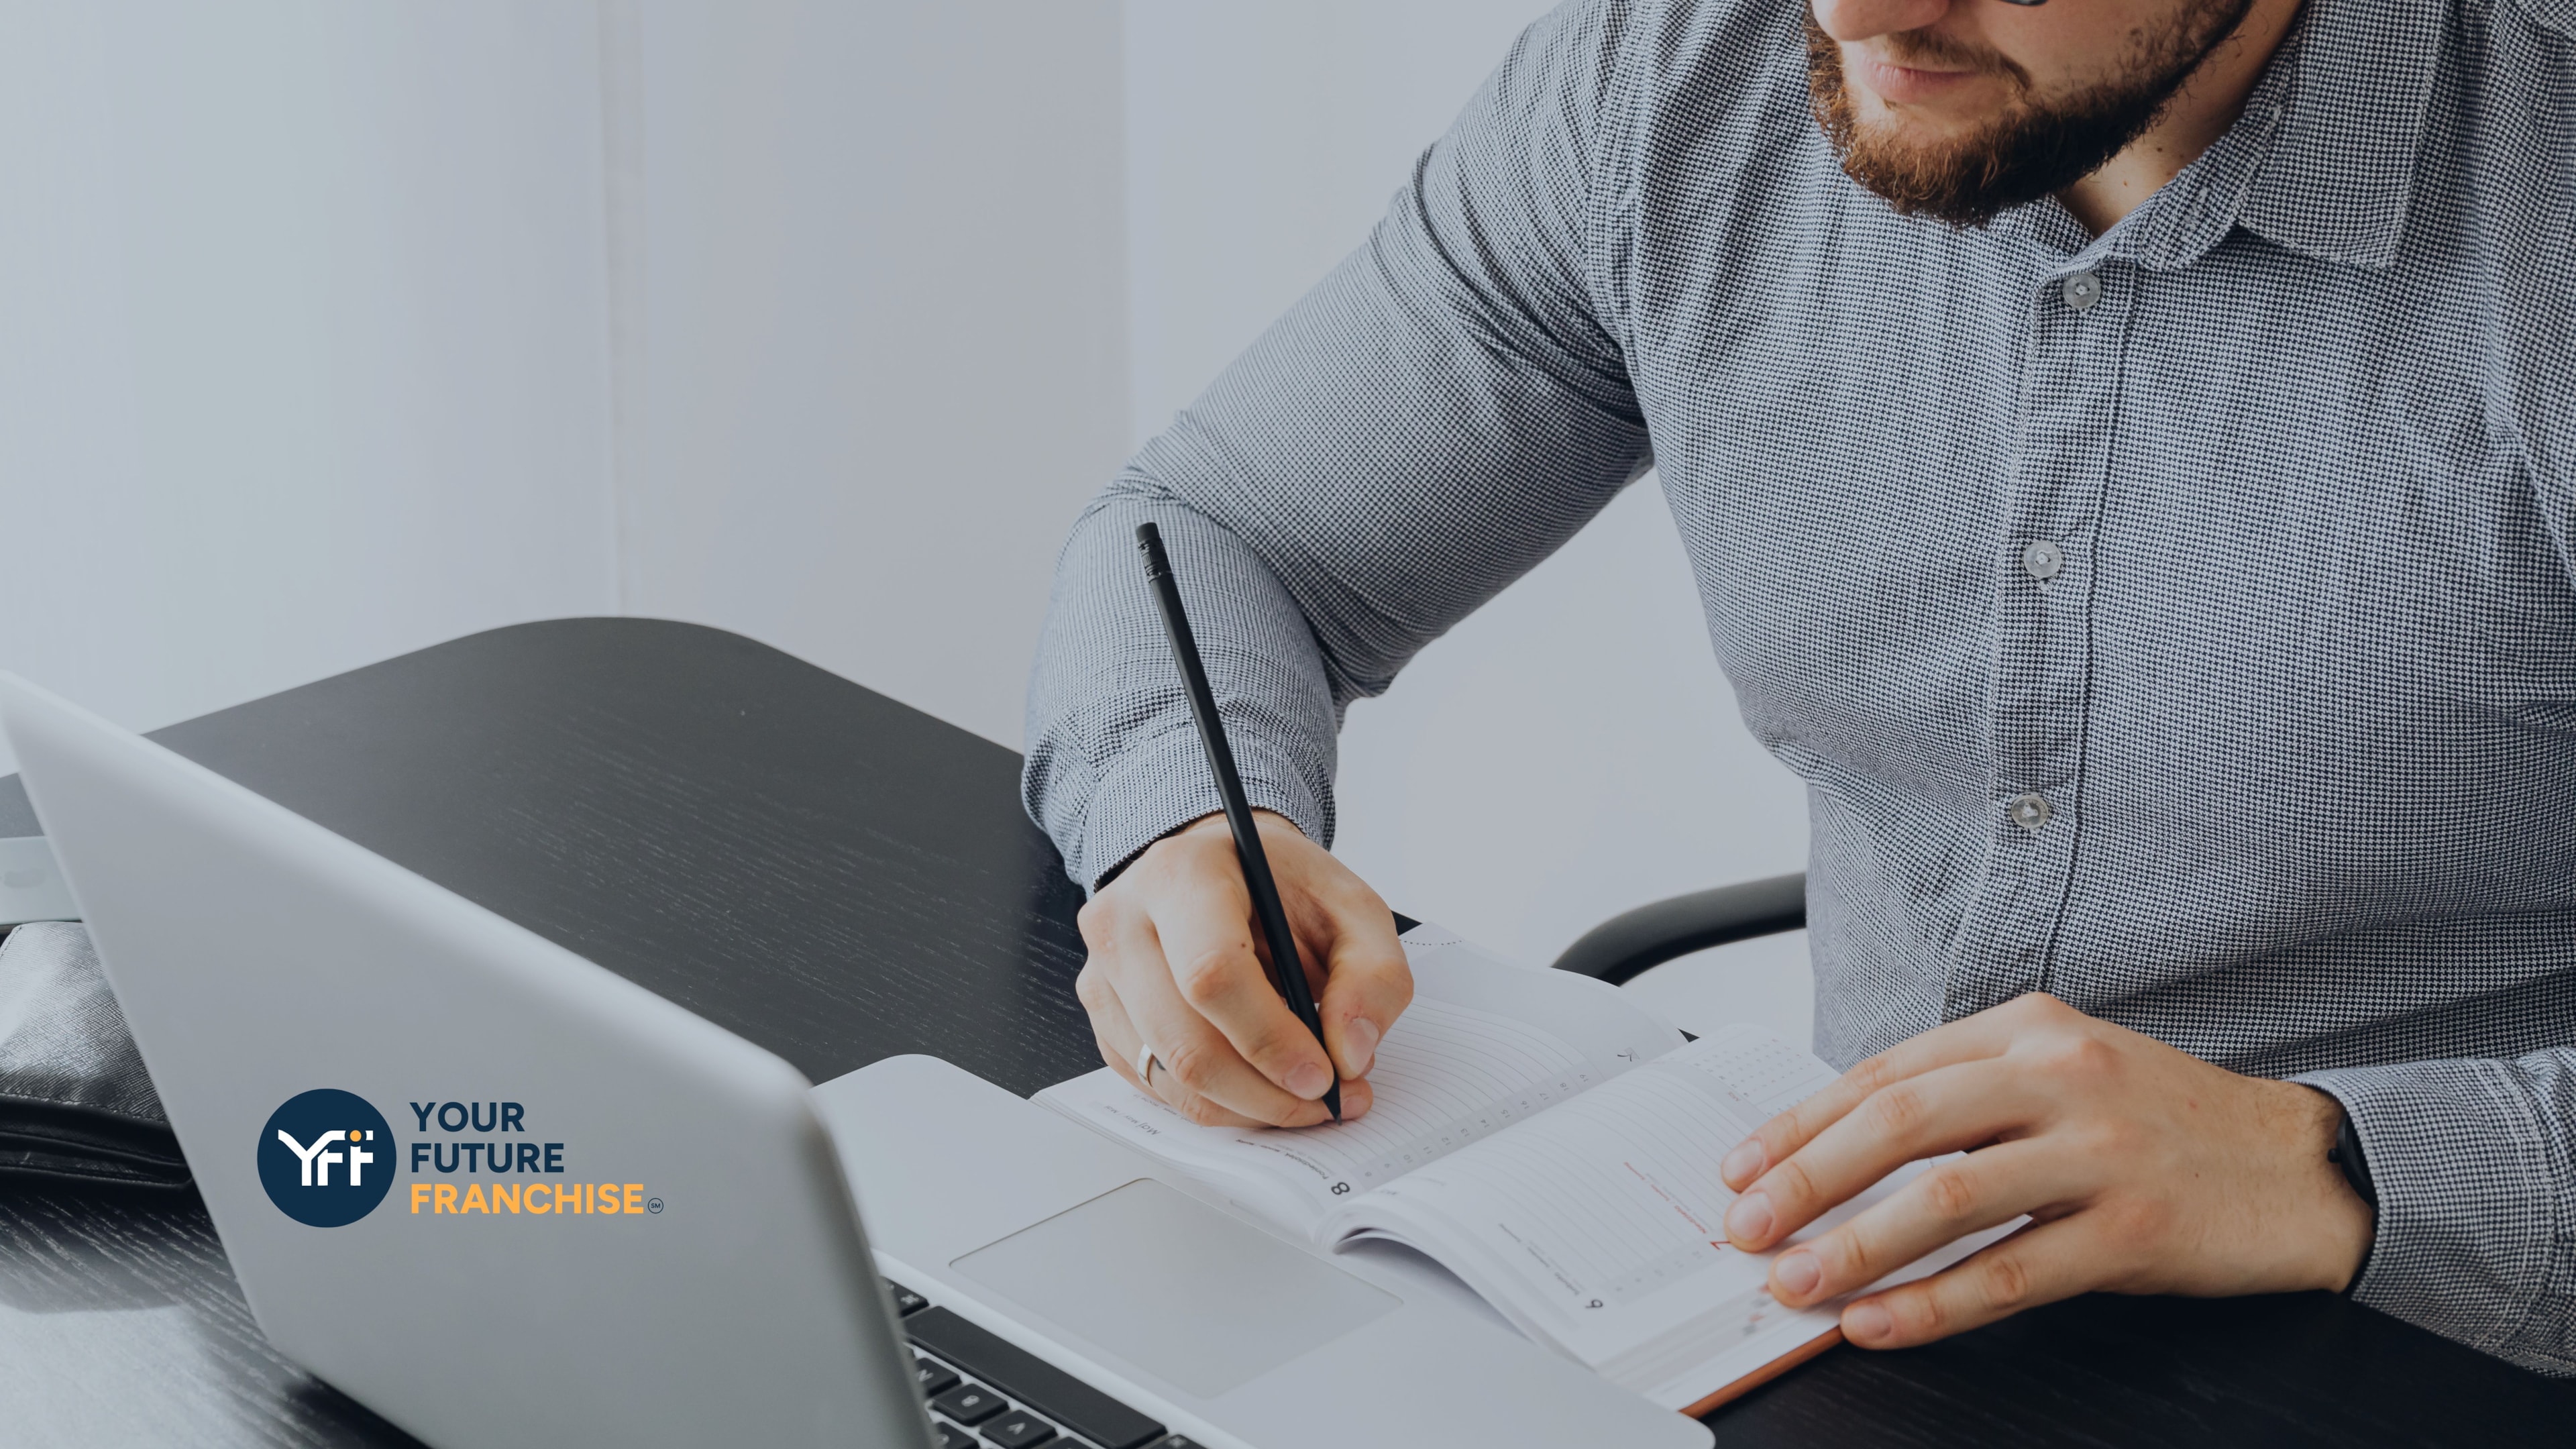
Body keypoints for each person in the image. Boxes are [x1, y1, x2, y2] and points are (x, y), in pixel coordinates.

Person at [1022, 0, 2575, 1376]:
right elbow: (1220, 536)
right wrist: (1181, 831)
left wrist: (2330, 1168)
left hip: (2420, 1360)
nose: (1857, 15)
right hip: (1836, 1323)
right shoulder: (1678, 75)